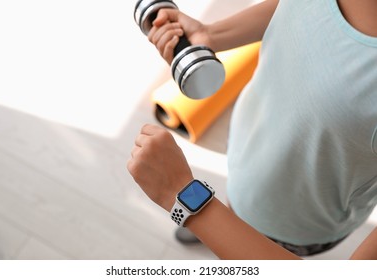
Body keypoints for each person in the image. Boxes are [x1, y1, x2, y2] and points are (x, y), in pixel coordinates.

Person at [127, 0, 377, 259]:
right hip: (247, 146)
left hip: (291, 223)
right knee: (233, 207)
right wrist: (211, 35)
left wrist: (184, 197)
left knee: (236, 234)